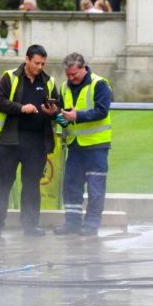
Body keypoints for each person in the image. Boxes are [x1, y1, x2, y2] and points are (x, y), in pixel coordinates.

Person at [0, 44, 58, 238]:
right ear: (27, 59)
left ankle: (30, 225)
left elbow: (57, 108)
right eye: (37, 63)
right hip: (9, 142)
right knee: (3, 183)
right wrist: (21, 108)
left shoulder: (49, 82)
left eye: (43, 63)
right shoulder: (10, 77)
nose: (40, 67)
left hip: (36, 144)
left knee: (31, 185)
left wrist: (54, 112)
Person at [52, 53, 112, 237]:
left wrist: (77, 116)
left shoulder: (99, 84)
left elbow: (102, 111)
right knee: (71, 186)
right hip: (75, 146)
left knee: (95, 188)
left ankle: (92, 224)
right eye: (68, 75)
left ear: (83, 67)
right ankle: (72, 223)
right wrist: (56, 115)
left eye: (74, 74)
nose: (71, 78)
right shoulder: (64, 87)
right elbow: (64, 116)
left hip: (96, 146)